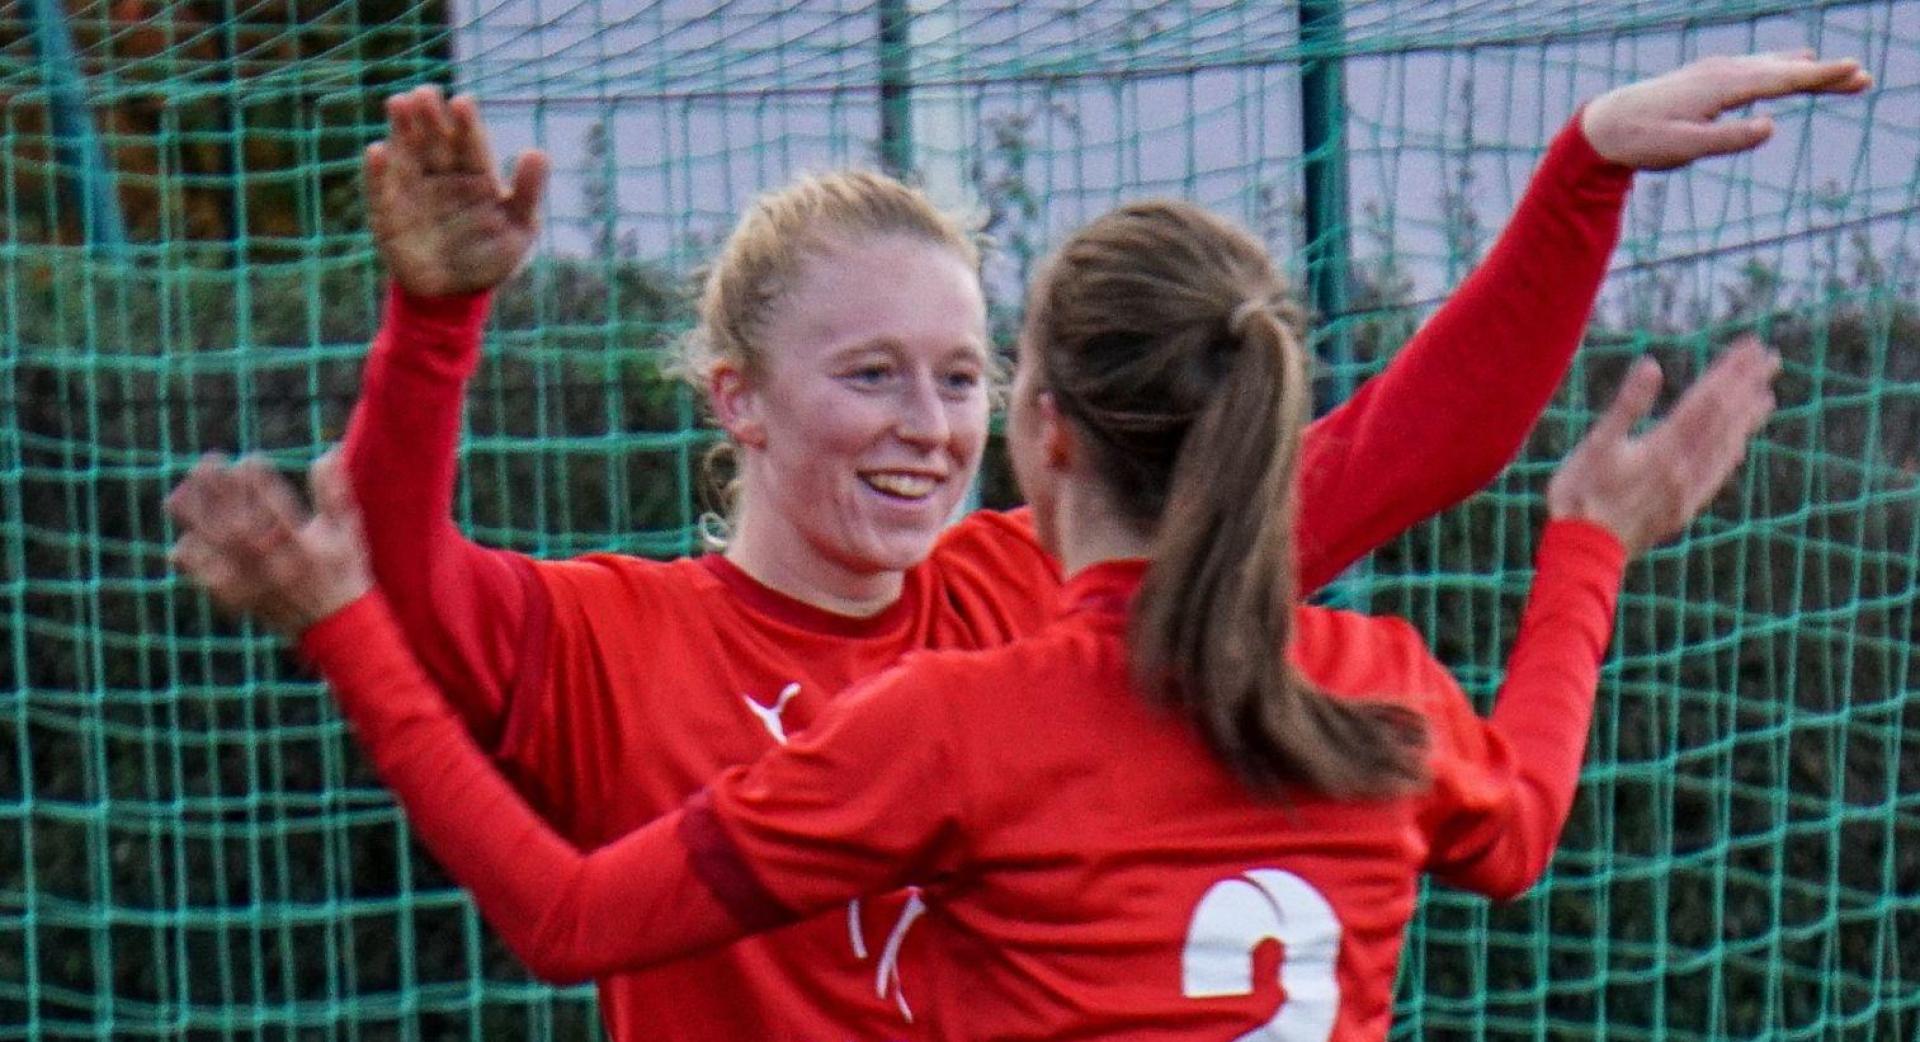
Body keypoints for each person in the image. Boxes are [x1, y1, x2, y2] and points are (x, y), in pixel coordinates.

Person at [167, 53, 1868, 1041]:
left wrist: (1579, 176)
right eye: (870, 374)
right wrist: (438, 320)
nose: (927, 419)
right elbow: (403, 559)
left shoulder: (1048, 599)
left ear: (1032, 413)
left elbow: (1410, 443)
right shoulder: (614, 635)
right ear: (737, 400)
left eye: (964, 374)